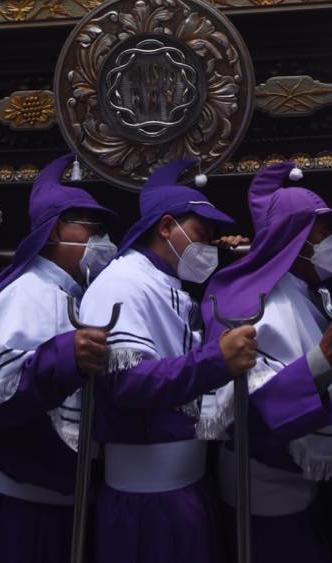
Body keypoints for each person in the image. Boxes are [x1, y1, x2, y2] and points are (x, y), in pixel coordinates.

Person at [77, 159, 258, 563]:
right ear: (165, 227)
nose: (209, 246)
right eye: (201, 233)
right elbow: (126, 384)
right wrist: (217, 362)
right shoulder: (122, 282)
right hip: (145, 504)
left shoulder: (165, 283)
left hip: (187, 487)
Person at [0, 153, 116, 562]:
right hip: (18, 509)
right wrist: (62, 359)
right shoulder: (25, 293)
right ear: (57, 230)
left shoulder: (75, 295)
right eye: (93, 229)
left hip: (62, 507)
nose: (102, 241)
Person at [202, 161, 332, 561]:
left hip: (298, 485)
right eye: (323, 234)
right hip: (263, 489)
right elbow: (257, 415)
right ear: (296, 241)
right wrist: (325, 360)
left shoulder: (303, 292)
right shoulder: (261, 308)